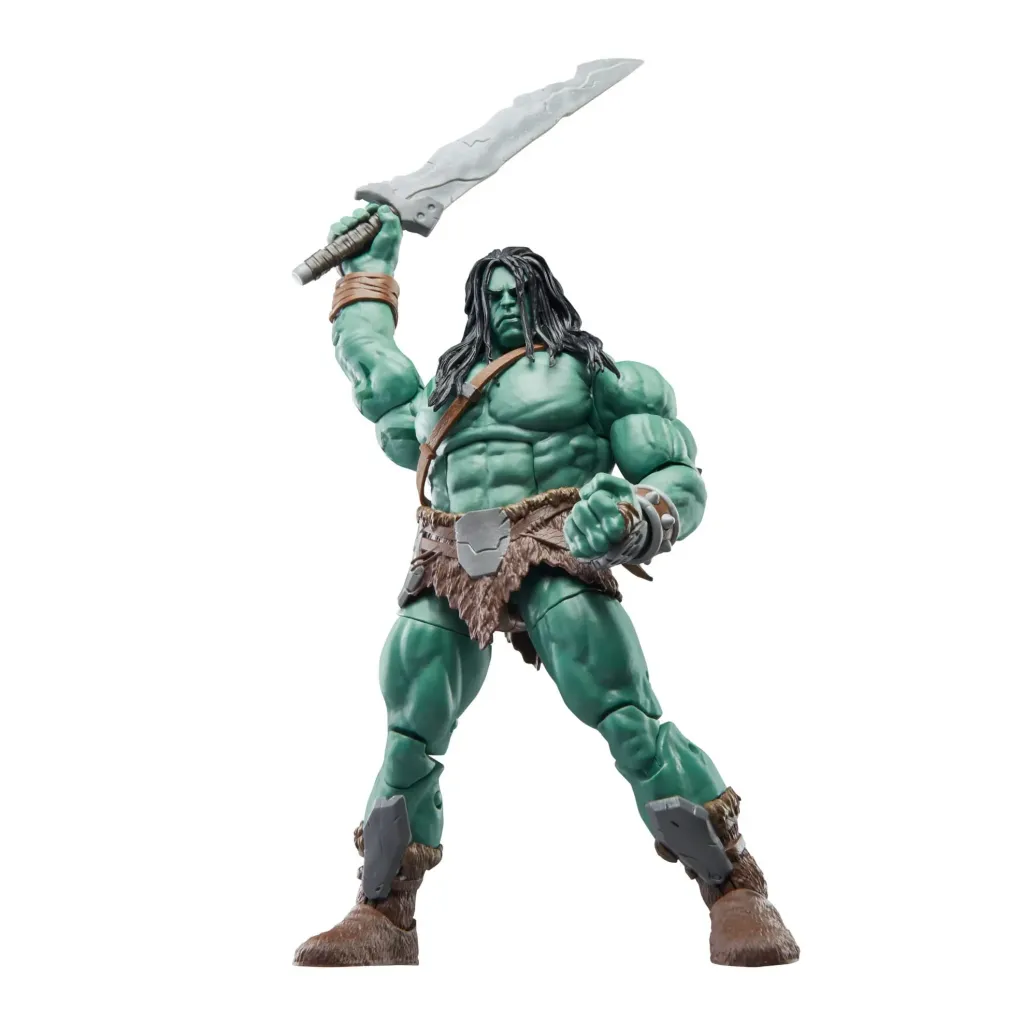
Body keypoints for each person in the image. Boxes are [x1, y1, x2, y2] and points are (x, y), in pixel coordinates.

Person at [293, 205, 798, 968]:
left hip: (556, 540)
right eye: (490, 293)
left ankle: (734, 887)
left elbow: (676, 474)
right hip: (450, 550)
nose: (503, 303)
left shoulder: (596, 376)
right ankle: (383, 912)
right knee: (409, 727)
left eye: (516, 291)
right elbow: (374, 371)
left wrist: (634, 516)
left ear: (545, 295)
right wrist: (368, 274)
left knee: (625, 716)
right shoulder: (444, 390)